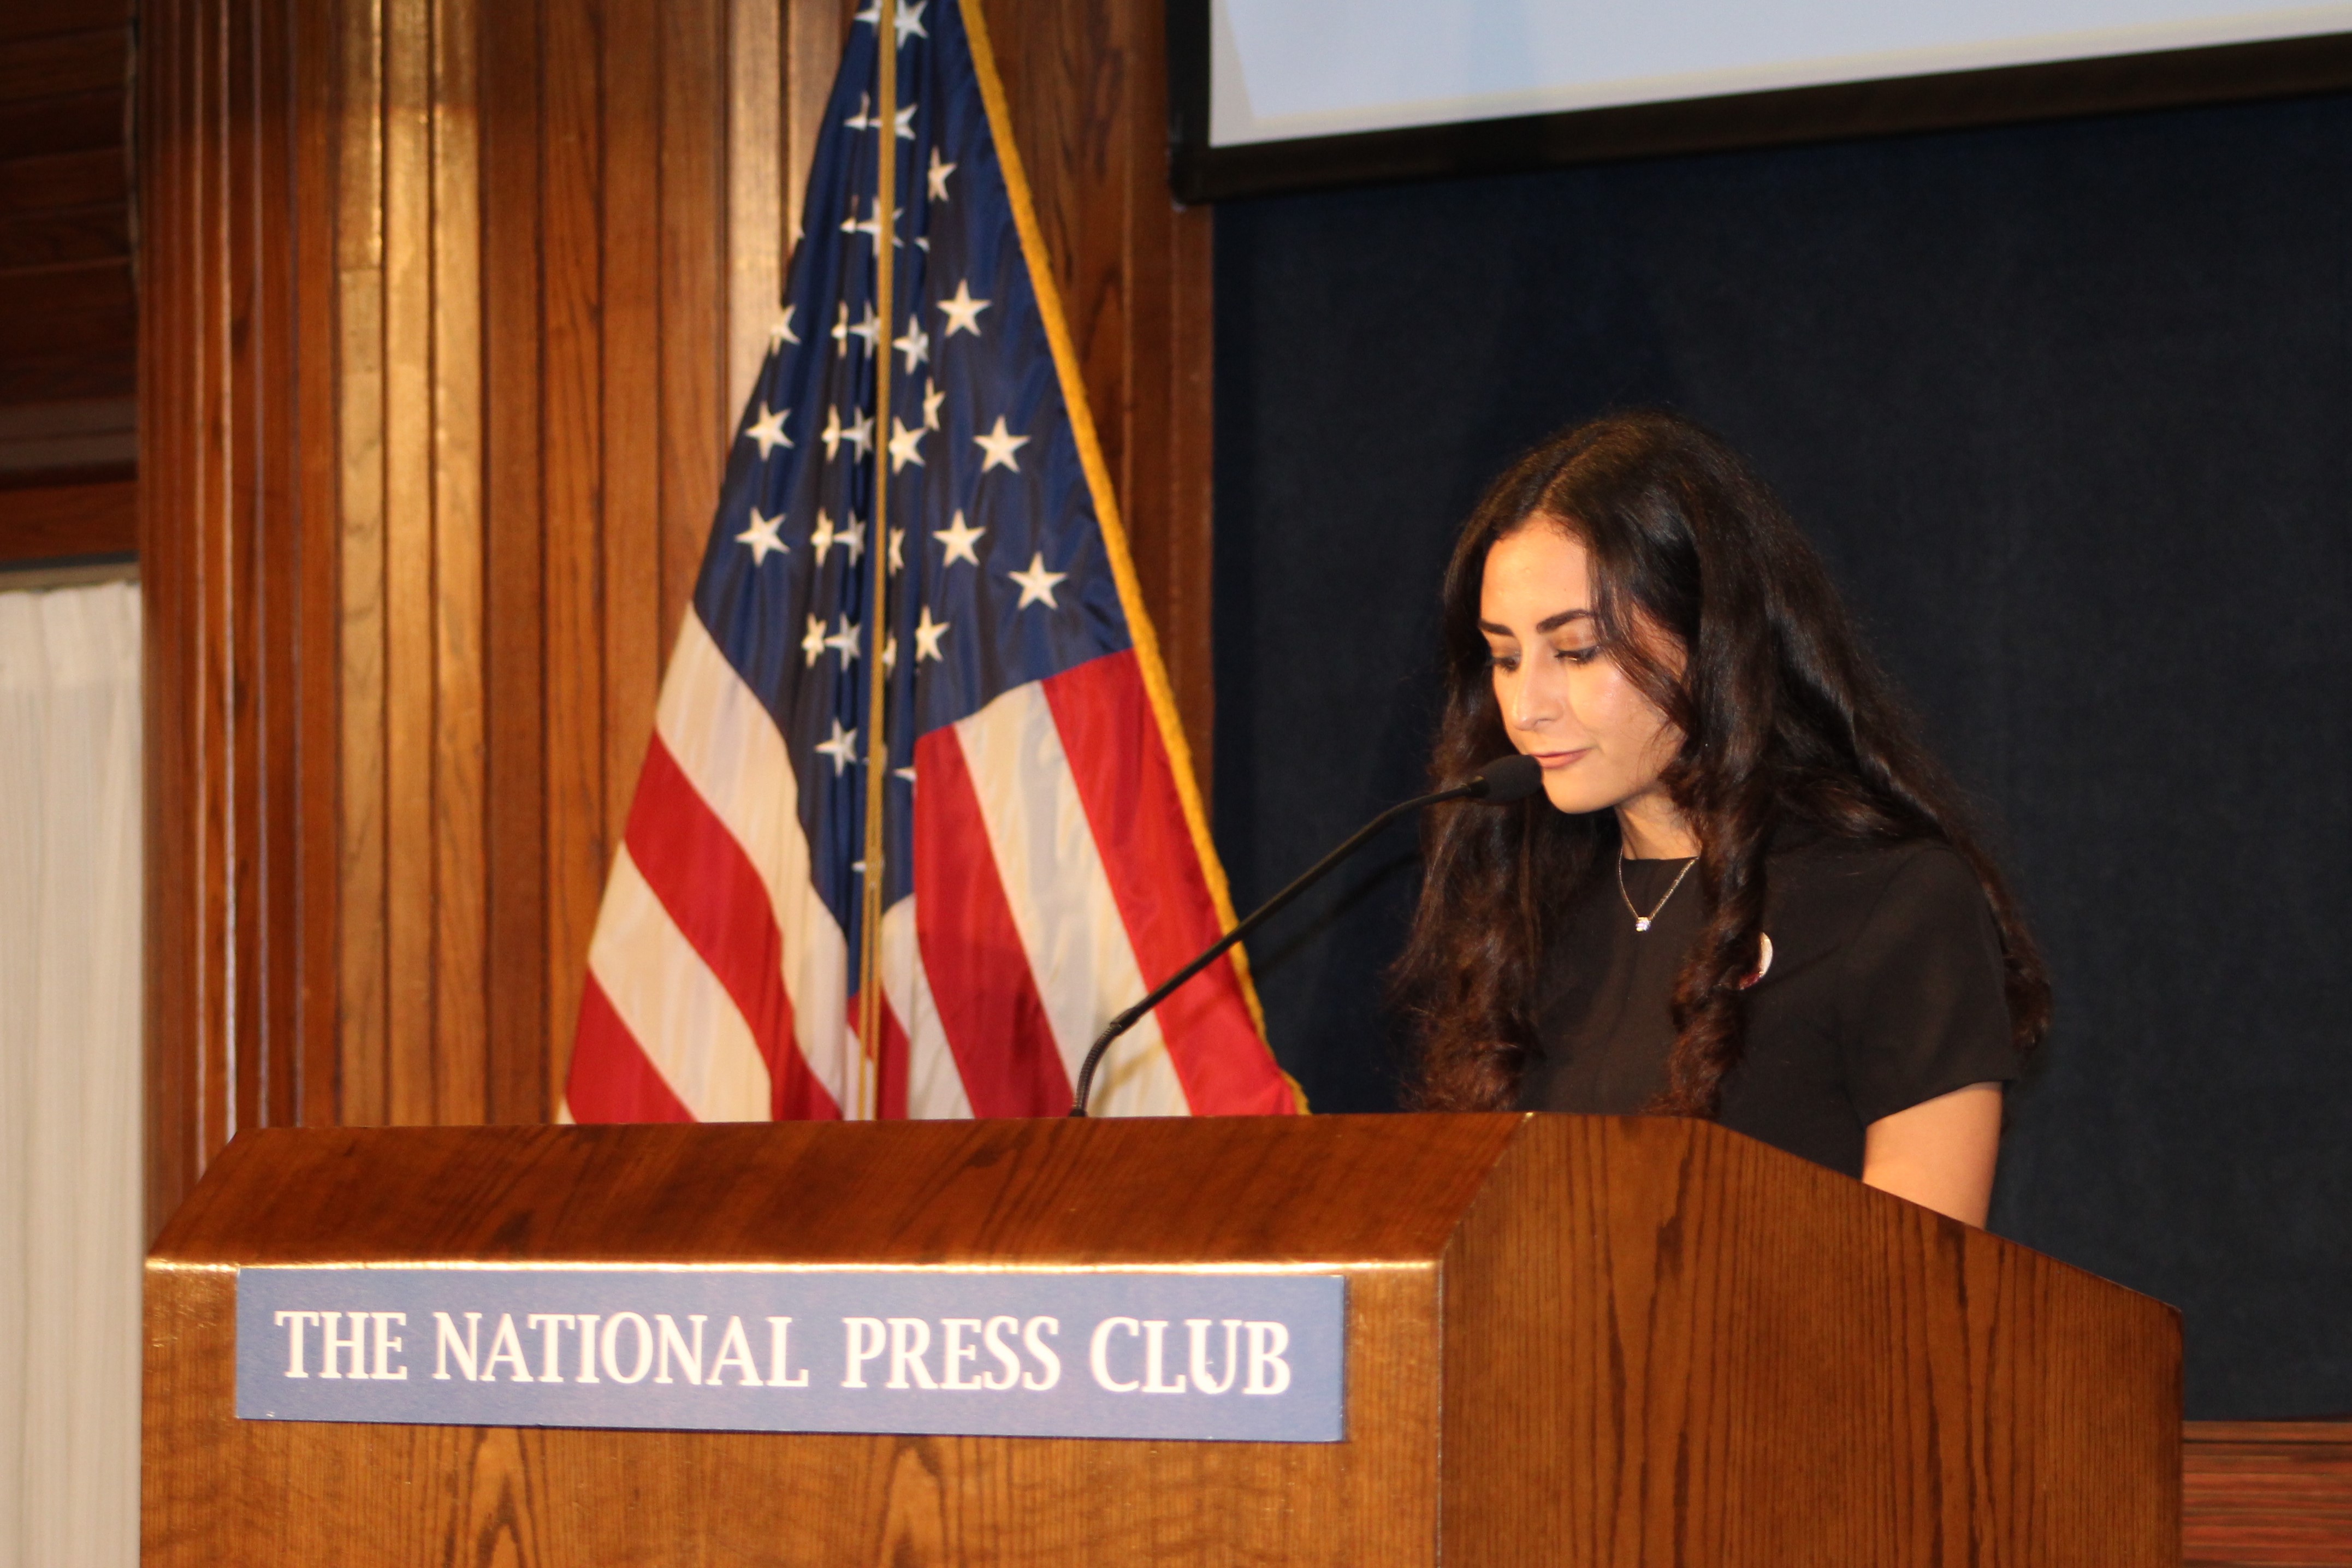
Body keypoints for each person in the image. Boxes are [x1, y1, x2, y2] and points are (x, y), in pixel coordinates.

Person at [1395, 411, 2047, 1226]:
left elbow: (1918, 1280)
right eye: (1504, 657)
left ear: (1710, 638)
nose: (1526, 707)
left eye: (1577, 651)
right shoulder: (1523, 913)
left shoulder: (1895, 902)